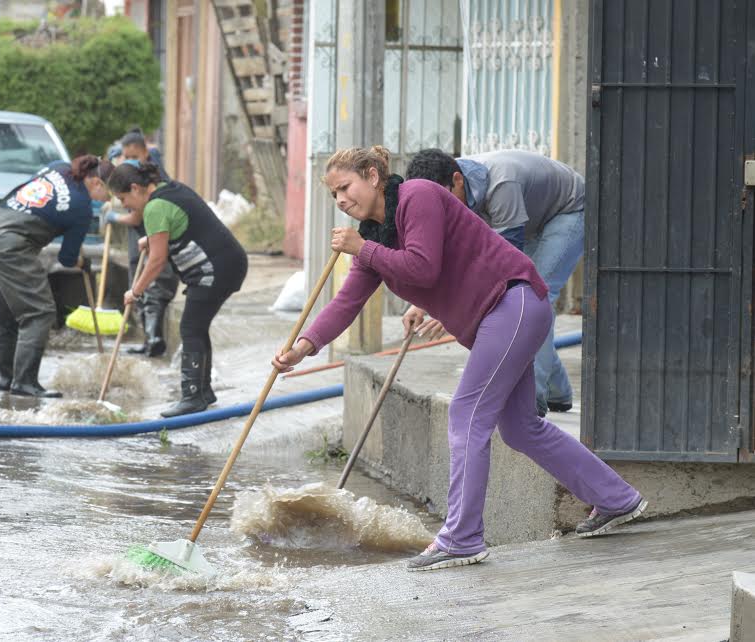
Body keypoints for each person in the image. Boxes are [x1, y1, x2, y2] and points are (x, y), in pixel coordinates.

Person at [271, 146, 646, 572]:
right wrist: (303, 346)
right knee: (521, 428)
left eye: (345, 187)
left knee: (466, 415)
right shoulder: (374, 235)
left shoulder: (418, 196)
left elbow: (423, 267)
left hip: (513, 303)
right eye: (333, 194)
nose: (340, 200)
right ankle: (617, 499)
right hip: (502, 317)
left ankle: (462, 538)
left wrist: (362, 248)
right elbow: (345, 303)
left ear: (373, 176)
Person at [406, 148, 585, 417]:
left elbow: (504, 269)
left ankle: (531, 400)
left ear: (456, 179)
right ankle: (557, 391)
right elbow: (446, 254)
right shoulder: (448, 194)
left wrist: (455, 308)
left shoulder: (502, 184)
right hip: (530, 216)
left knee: (534, 297)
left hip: (567, 210)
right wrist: (420, 303)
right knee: (524, 302)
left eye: (443, 198)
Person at [107, 161, 248, 417]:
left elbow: (157, 261)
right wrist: (149, 239)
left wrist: (135, 291)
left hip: (214, 269)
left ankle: (192, 396)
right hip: (229, 262)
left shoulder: (155, 207)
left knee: (190, 327)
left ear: (136, 188)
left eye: (123, 198)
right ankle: (203, 392)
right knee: (197, 325)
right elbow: (178, 225)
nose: (125, 205)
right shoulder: (170, 190)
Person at [0, 155, 113, 397]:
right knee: (39, 312)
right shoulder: (82, 207)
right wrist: (83, 262)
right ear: (96, 183)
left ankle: (7, 378)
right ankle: (25, 382)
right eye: (109, 194)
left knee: (7, 314)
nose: (107, 201)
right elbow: (67, 259)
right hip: (11, 244)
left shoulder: (59, 168)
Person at [106, 128, 179, 357]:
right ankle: (149, 340)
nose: (129, 160)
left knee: (151, 286)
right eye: (125, 157)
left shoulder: (150, 178)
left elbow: (137, 214)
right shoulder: (137, 173)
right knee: (139, 282)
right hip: (141, 237)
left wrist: (115, 217)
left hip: (152, 234)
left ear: (144, 152)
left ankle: (154, 339)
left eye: (132, 156)